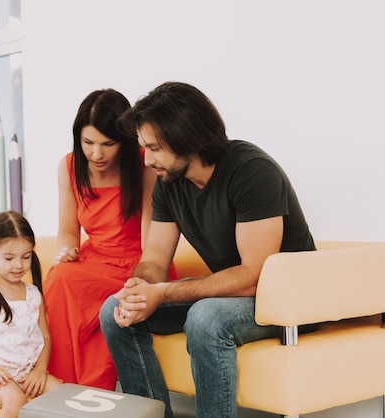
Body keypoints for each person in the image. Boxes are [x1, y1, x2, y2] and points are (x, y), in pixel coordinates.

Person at [98, 81, 316, 418]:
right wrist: (139, 289)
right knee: (114, 311)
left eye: (154, 148)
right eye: (144, 148)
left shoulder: (252, 171)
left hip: (288, 300)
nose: (147, 160)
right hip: (237, 294)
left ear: (187, 139)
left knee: (205, 318)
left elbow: (255, 276)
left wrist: (164, 293)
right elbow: (154, 258)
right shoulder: (169, 182)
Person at [43, 88, 177, 391]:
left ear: (126, 141)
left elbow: (151, 240)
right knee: (59, 278)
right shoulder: (68, 166)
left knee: (84, 293)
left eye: (108, 144)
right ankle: (59, 392)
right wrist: (66, 252)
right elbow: (68, 231)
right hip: (94, 260)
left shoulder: (145, 164)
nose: (96, 154)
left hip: (139, 264)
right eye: (88, 142)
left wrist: (141, 277)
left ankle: (87, 397)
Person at [0, 211, 62, 418]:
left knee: (63, 394)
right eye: (9, 258)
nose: (19, 265)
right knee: (15, 400)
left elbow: (45, 337)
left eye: (26, 257)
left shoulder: (34, 295)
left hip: (27, 371)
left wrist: (40, 370)